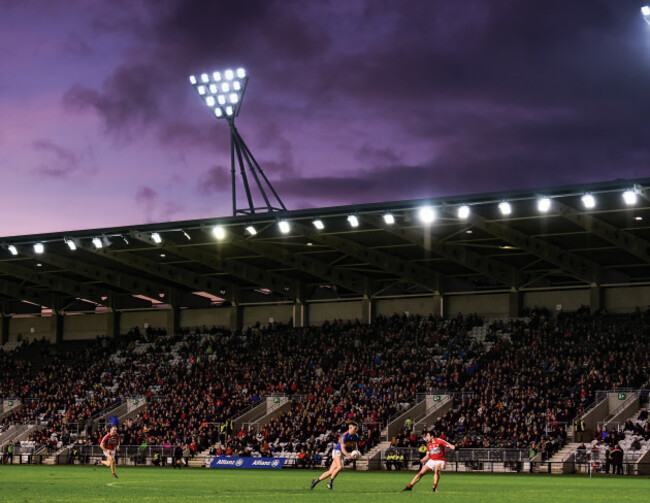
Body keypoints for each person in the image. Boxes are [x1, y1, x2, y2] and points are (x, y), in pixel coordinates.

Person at [310, 421, 359, 491]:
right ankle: (330, 483)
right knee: (340, 467)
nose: (356, 430)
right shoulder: (344, 435)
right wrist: (349, 456)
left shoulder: (355, 436)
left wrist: (356, 453)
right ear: (350, 428)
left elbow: (355, 446)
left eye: (357, 428)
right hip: (337, 451)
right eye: (355, 428)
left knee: (331, 471)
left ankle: (315, 481)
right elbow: (342, 448)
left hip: (341, 453)